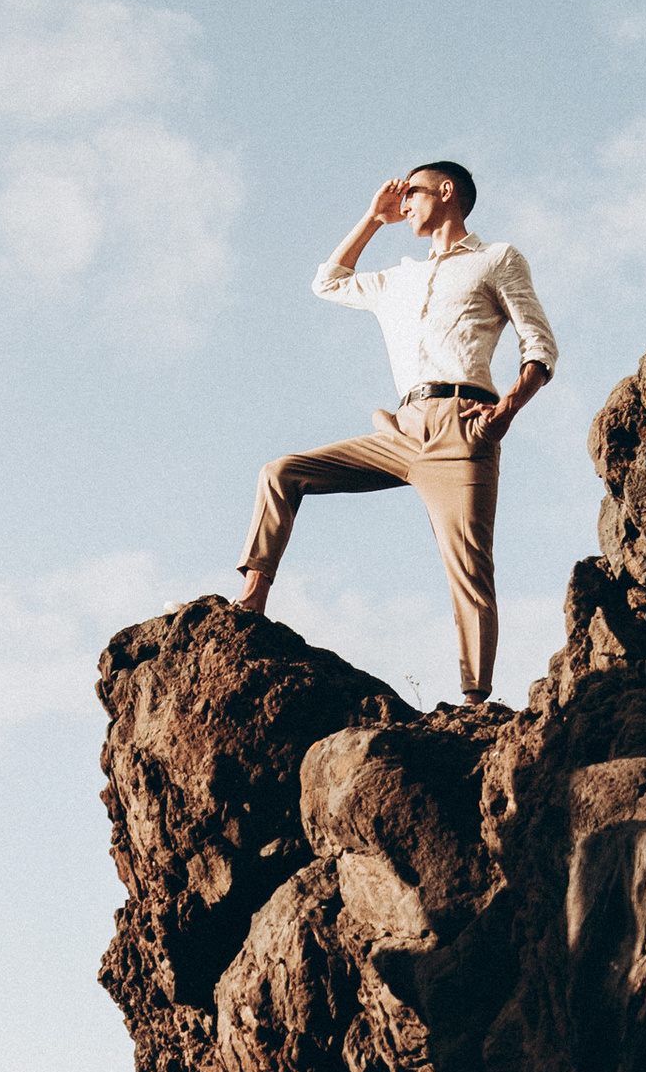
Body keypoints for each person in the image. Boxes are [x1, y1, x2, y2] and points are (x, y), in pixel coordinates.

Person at [236, 161, 557, 706]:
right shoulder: (397, 280)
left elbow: (540, 345)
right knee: (280, 473)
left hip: (463, 428)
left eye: (413, 193)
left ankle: (475, 703)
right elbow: (327, 282)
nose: (404, 203)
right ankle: (252, 597)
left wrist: (509, 408)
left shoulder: (495, 259)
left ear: (447, 192)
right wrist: (372, 217)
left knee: (470, 568)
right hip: (401, 428)